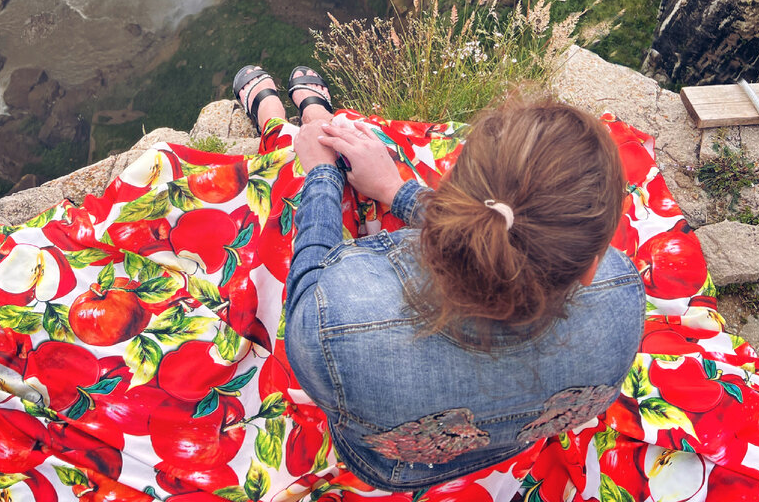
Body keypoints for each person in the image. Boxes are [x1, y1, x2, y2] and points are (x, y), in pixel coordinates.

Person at [234, 66, 646, 491]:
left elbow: (305, 294)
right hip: (510, 448)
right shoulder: (623, 296)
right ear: (592, 266)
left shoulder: (336, 325)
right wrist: (395, 191)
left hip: (384, 467)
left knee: (299, 173)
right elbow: (516, 235)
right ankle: (305, 115)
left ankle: (285, 123)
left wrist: (322, 177)